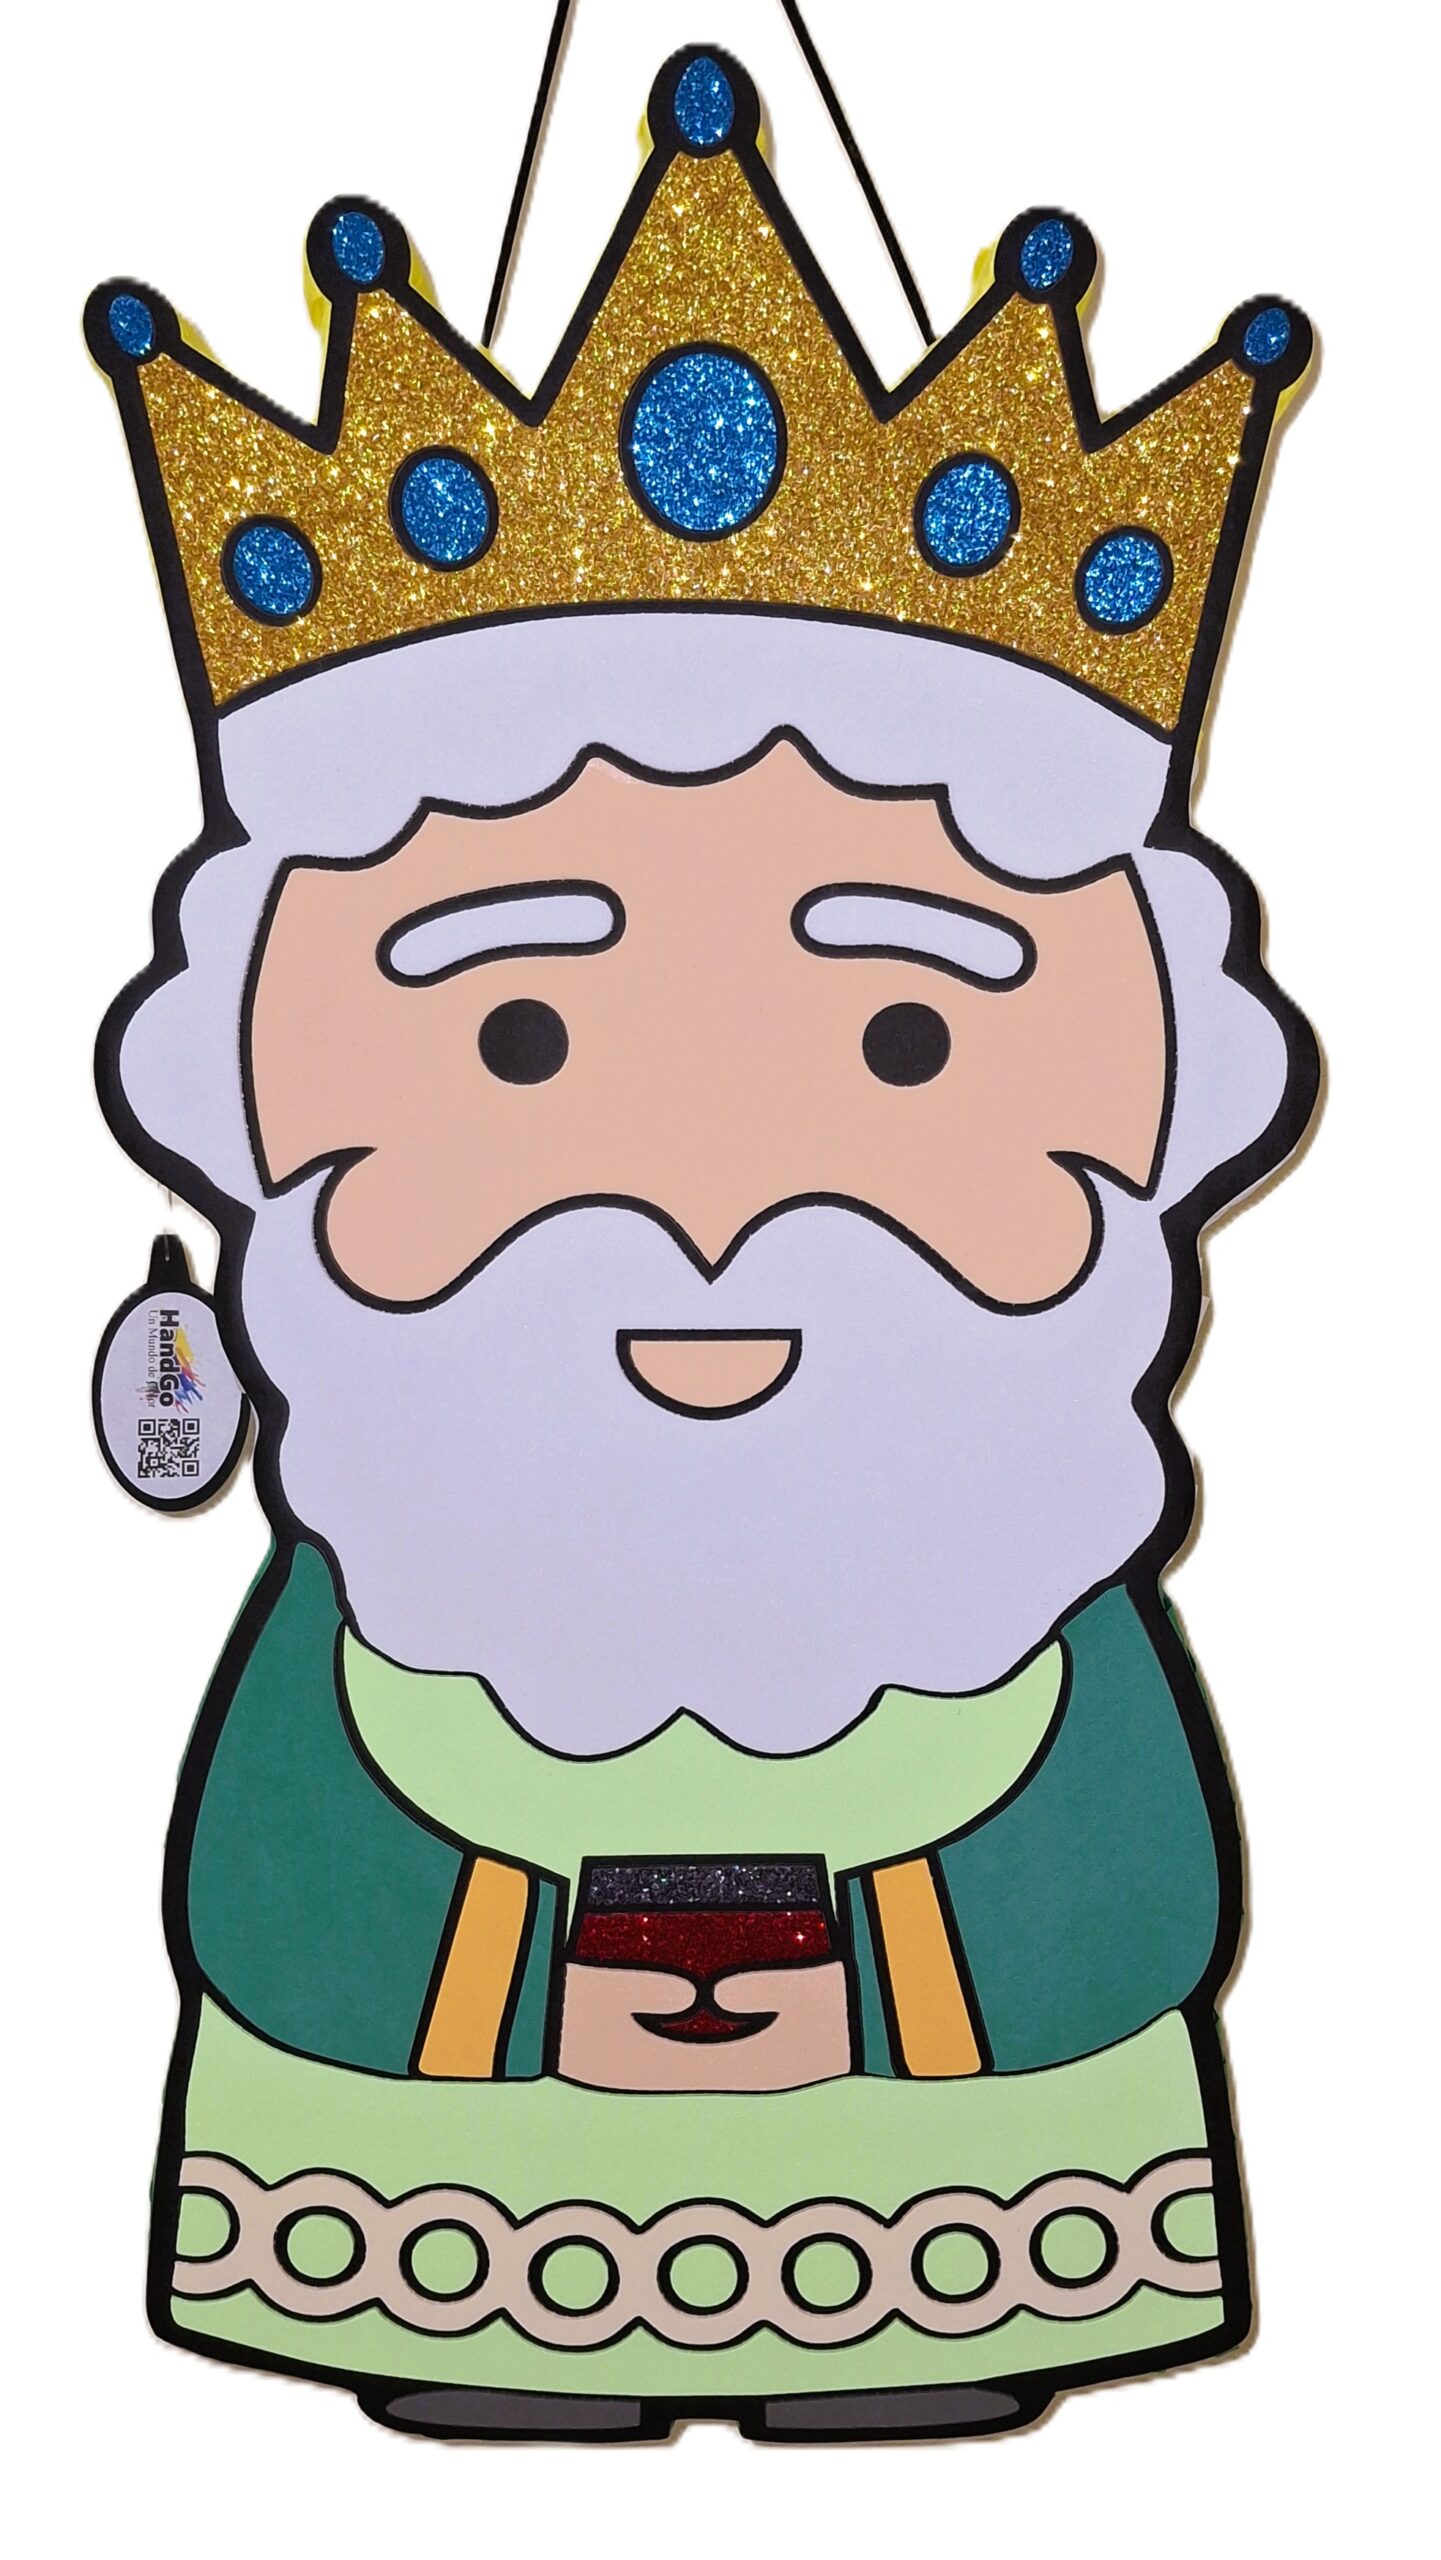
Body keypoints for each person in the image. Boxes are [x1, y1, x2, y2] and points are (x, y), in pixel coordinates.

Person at [89, 48, 1315, 2440]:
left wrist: (905, 1963)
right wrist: (500, 1963)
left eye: (904, 1041)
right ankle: (482, 2347)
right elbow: (283, 1880)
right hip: (438, 2199)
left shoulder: (1020, 1607)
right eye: (518, 1032)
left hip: (966, 2202)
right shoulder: (387, 1608)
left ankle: (916, 2343)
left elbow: (1122, 1884)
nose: (711, 1192)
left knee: (957, 2276)